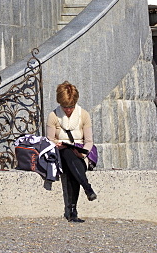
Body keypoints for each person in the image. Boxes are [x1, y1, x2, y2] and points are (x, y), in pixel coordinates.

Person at [46, 81, 97, 223]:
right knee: (68, 155)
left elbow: (89, 141)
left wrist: (83, 153)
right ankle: (87, 188)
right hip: (61, 151)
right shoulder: (53, 116)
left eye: (71, 107)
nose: (68, 110)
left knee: (72, 166)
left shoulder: (84, 115)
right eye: (65, 107)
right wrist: (59, 144)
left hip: (80, 153)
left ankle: (72, 211)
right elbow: (49, 139)